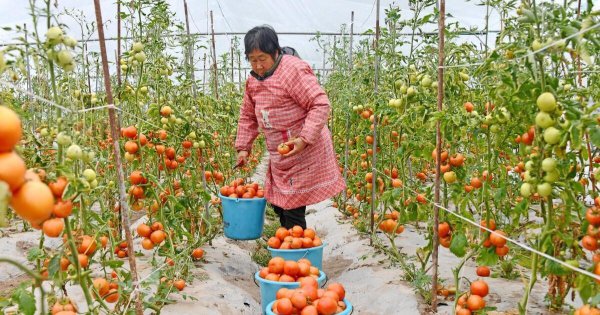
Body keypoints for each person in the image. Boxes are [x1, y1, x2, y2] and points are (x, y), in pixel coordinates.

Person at [235, 25, 345, 230]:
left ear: (275, 52)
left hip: (304, 150)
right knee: (279, 205)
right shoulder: (253, 81)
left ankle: (295, 252)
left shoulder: (293, 70)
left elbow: (320, 103)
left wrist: (304, 139)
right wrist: (243, 147)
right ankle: (287, 244)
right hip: (281, 154)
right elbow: (248, 115)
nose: (258, 65)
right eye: (252, 59)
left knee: (293, 209)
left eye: (262, 58)